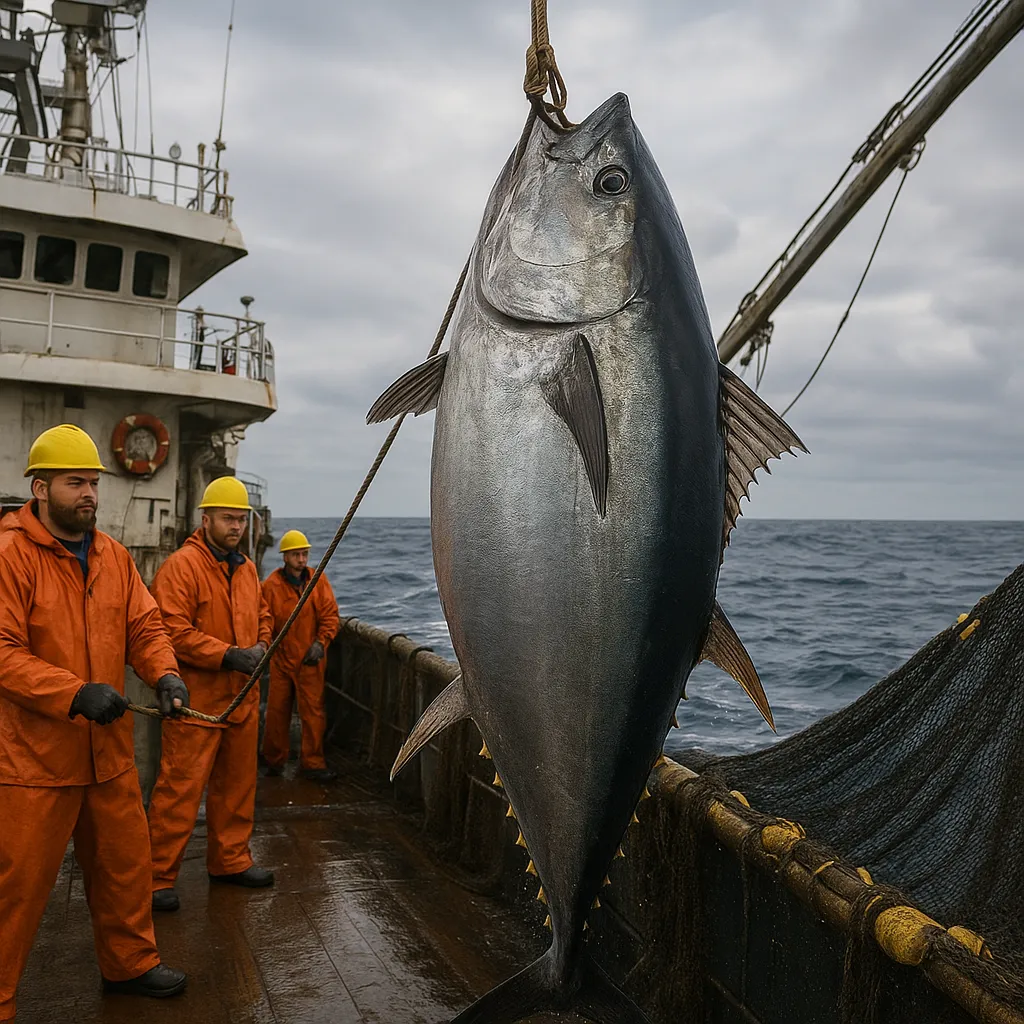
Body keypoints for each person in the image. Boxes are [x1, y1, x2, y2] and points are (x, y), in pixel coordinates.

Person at [0, 424, 189, 1020]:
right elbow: (3, 651)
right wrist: (75, 692)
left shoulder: (110, 555)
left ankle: (130, 964)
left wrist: (164, 674)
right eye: (75, 482)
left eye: (93, 483)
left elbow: (145, 626)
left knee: (125, 867)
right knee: (18, 887)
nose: (89, 493)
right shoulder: (10, 555)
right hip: (34, 758)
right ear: (39, 487)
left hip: (106, 753)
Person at [147, 476, 274, 913]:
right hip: (197, 705)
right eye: (227, 518)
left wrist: (260, 645)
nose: (236, 526)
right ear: (206, 519)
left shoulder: (248, 567)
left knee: (237, 788)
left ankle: (231, 861)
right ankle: (157, 878)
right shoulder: (182, 566)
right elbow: (170, 630)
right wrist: (228, 656)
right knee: (179, 791)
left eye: (241, 519)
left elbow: (263, 613)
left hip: (242, 701)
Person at [261, 530, 340, 782]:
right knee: (276, 712)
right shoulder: (270, 586)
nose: (302, 559)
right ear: (285, 557)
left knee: (313, 713)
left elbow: (330, 616)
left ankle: (313, 763)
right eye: (296, 554)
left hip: (310, 660)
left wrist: (321, 643)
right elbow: (263, 620)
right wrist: (266, 645)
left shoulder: (319, 581)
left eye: (304, 554)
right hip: (282, 660)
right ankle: (273, 759)